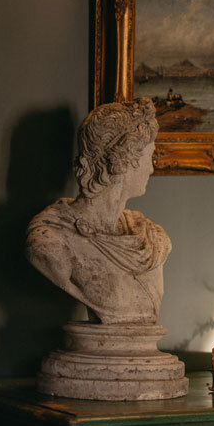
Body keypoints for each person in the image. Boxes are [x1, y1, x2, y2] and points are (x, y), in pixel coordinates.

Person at [26, 99, 171, 324]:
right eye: (148, 157)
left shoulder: (149, 238)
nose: (152, 168)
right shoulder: (52, 242)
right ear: (124, 160)